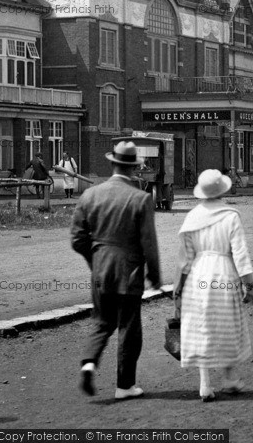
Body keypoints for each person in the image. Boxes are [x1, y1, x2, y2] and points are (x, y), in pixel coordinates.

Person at [70, 140, 161, 400]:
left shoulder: (89, 195)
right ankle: (125, 386)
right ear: (135, 168)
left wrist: (96, 259)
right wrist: (153, 274)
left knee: (101, 321)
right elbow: (149, 243)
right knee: (129, 328)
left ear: (112, 164)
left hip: (100, 270)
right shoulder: (141, 198)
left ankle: (89, 363)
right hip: (130, 272)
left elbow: (77, 239)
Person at [173, 169, 253, 402]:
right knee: (226, 325)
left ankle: (205, 384)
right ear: (222, 190)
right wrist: (250, 286)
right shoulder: (230, 215)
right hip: (224, 273)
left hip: (197, 274)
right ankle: (231, 379)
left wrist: (179, 287)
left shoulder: (192, 217)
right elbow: (240, 254)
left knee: (202, 326)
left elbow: (185, 258)